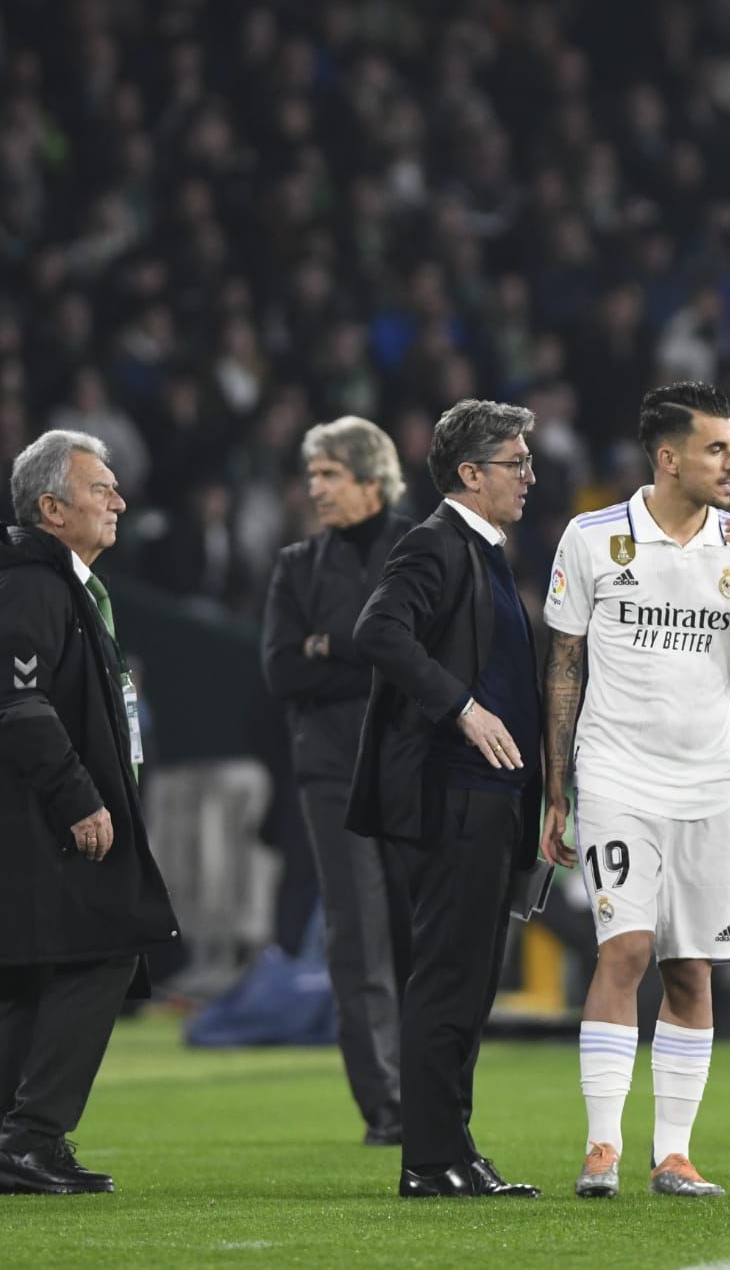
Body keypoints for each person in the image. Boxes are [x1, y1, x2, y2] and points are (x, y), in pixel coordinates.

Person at [541, 381, 730, 1199]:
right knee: (627, 949)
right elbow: (564, 664)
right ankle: (602, 1144)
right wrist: (557, 788)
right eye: (718, 448)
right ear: (669, 456)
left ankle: (673, 1153)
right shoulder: (592, 536)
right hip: (616, 776)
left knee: (691, 968)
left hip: (708, 783)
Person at [0, 430, 180, 1196]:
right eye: (101, 488)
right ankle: (32, 1137)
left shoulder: (43, 580)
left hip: (17, 815)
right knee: (106, 949)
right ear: (51, 507)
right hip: (41, 814)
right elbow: (12, 701)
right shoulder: (32, 581)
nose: (119, 501)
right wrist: (79, 795)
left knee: (24, 976)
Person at [347, 399, 544, 1199]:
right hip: (449, 796)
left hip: (489, 800)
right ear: (471, 473)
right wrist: (462, 707)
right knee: (447, 977)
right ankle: (430, 1158)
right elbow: (378, 630)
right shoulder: (433, 542)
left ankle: (452, 1146)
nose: (530, 477)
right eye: (516, 464)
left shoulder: (485, 550)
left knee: (470, 981)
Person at [260, 415, 414, 1146]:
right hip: (333, 775)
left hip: (414, 766)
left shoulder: (420, 546)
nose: (314, 488)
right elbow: (281, 669)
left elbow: (428, 653)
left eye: (329, 475)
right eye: (312, 475)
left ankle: (433, 1091)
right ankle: (386, 1105)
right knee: (358, 939)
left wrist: (334, 645)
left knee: (423, 936)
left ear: (371, 479)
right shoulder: (297, 564)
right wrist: (372, 647)